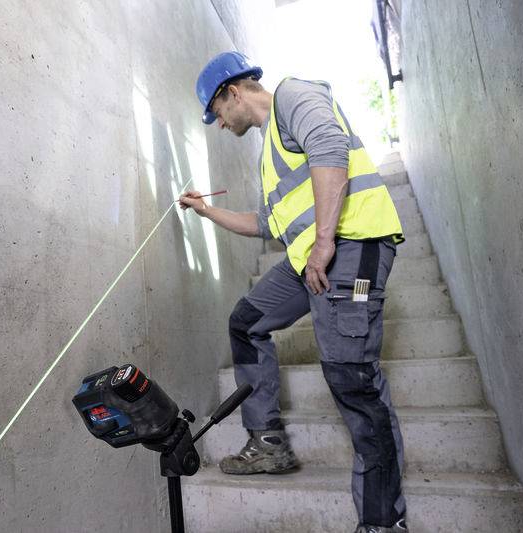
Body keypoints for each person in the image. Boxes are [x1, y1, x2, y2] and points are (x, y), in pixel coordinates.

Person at [179, 51, 409, 533]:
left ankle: (383, 522)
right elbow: (266, 224)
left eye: (216, 112)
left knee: (353, 381)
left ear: (233, 92)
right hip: (311, 261)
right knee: (245, 322)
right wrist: (206, 212)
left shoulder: (294, 94)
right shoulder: (268, 153)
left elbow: (330, 145)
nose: (219, 124)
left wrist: (326, 240)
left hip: (352, 249)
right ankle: (268, 444)